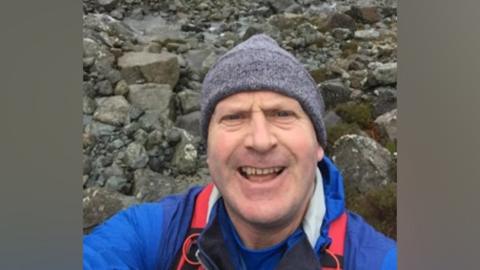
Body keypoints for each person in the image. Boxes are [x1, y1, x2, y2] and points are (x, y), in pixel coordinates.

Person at [83, 34, 397, 270]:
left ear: (318, 145)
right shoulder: (152, 234)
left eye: (282, 114)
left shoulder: (376, 259)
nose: (260, 140)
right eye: (234, 117)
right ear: (207, 152)